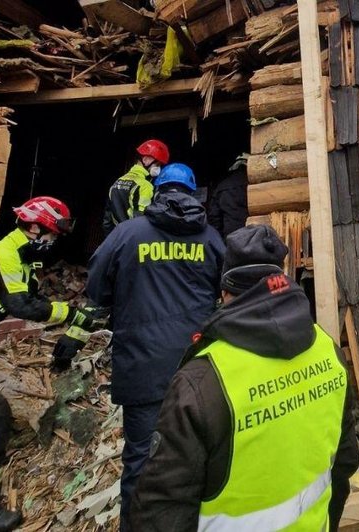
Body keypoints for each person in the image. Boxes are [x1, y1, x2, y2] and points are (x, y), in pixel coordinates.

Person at [130, 225, 359, 532]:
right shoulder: (327, 349)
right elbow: (344, 464)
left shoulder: (202, 382)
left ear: (226, 293)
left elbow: (162, 512)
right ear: (280, 278)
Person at [56, 163, 225, 531]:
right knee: (198, 455)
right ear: (192, 193)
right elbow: (221, 292)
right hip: (198, 367)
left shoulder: (126, 234)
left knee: (141, 460)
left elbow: (97, 289)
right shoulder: (210, 238)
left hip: (142, 366)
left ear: (158, 190)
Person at [0, 196, 104, 532]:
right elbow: (23, 306)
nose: (53, 241)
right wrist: (70, 312)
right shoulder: (3, 255)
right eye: (51, 234)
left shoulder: (21, 259)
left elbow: (32, 299)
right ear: (33, 227)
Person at [102, 139, 170, 236]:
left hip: (117, 238)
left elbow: (107, 221)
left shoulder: (117, 182)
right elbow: (142, 221)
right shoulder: (145, 186)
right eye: (157, 164)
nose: (158, 168)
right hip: (134, 239)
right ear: (145, 159)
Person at [207, 154, 248, 239]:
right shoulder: (257, 184)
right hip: (255, 239)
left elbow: (214, 219)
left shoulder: (222, 186)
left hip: (231, 239)